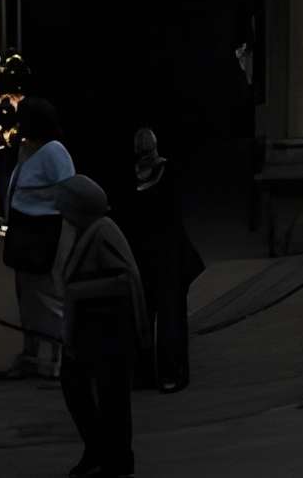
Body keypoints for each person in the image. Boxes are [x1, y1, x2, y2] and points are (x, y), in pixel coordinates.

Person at [53, 175, 145, 478]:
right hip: (89, 329)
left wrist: (81, 290)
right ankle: (98, 448)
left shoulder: (103, 231)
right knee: (76, 387)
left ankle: (116, 458)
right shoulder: (84, 230)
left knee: (112, 398)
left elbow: (124, 280)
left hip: (109, 330)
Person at [113, 128, 202, 392]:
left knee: (144, 314)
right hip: (166, 253)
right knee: (170, 315)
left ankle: (145, 372)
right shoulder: (169, 174)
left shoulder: (130, 179)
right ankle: (171, 371)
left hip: (143, 253)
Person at [0, 97, 74, 381]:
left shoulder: (54, 151)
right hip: (25, 230)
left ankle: (57, 359)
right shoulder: (28, 151)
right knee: (28, 298)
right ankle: (31, 356)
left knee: (49, 297)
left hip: (46, 231)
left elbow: (67, 191)